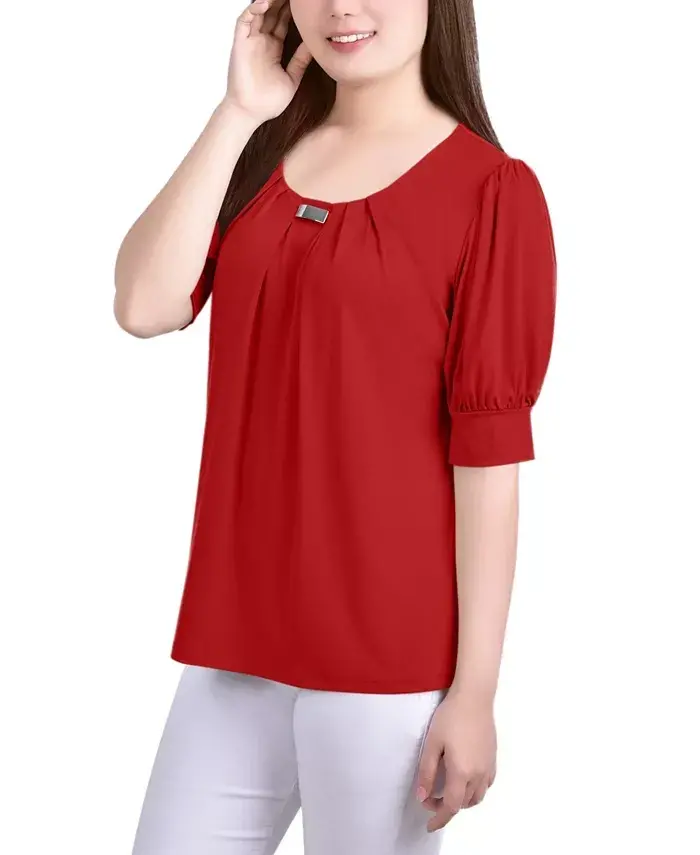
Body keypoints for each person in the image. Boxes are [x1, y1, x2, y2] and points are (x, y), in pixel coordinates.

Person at [113, 0, 557, 852]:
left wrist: (475, 691)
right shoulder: (260, 155)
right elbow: (143, 304)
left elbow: (489, 459)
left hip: (385, 664)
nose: (341, 7)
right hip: (235, 645)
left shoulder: (491, 192)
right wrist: (238, 112)